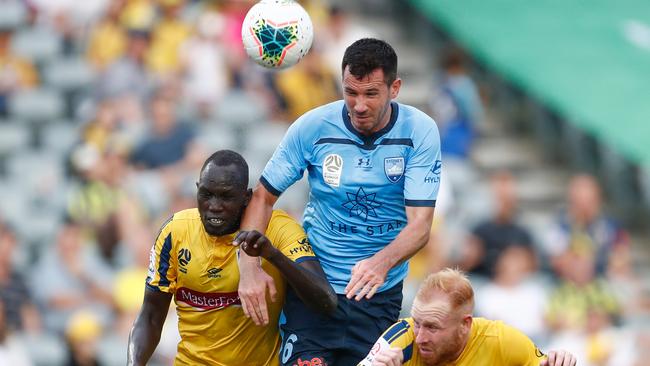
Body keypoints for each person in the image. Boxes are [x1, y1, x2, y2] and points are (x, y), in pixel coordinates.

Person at [237, 38, 442, 365]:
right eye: (351, 92)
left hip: (379, 297)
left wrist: (380, 263)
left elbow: (420, 225)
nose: (359, 105)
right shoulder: (312, 127)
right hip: (313, 292)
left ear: (395, 88)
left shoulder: (419, 131)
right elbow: (262, 197)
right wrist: (248, 269)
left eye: (371, 94)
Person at [127, 150, 336, 365]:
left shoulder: (278, 230)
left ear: (246, 198)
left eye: (226, 197)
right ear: (197, 190)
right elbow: (151, 316)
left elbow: (326, 302)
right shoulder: (175, 232)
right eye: (206, 194)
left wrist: (273, 255)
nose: (214, 207)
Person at [359, 268, 577, 366]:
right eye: (417, 324)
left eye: (433, 328)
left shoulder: (500, 340)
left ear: (465, 324)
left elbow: (544, 362)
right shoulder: (399, 341)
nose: (420, 337)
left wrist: (560, 361)